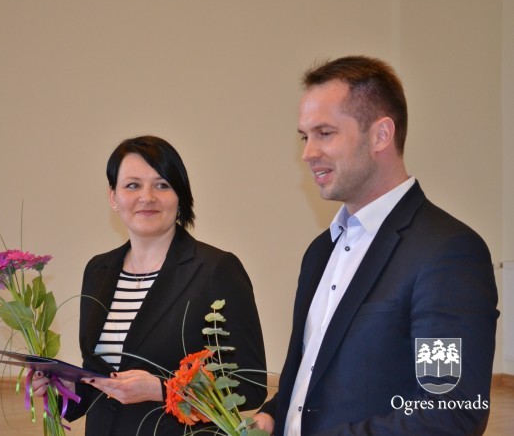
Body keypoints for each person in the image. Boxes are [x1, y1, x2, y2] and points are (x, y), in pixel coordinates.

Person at [253, 56, 499, 435]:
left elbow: (449, 411)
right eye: (305, 136)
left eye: (325, 133)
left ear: (381, 135)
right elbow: (311, 378)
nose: (308, 153)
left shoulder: (445, 253)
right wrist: (273, 414)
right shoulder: (320, 251)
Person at [34, 135, 267, 435]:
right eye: (132, 185)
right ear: (113, 197)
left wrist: (161, 389)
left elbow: (249, 385)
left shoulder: (216, 269)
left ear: (180, 196)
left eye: (162, 185)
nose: (147, 197)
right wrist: (65, 387)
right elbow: (101, 378)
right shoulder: (98, 270)